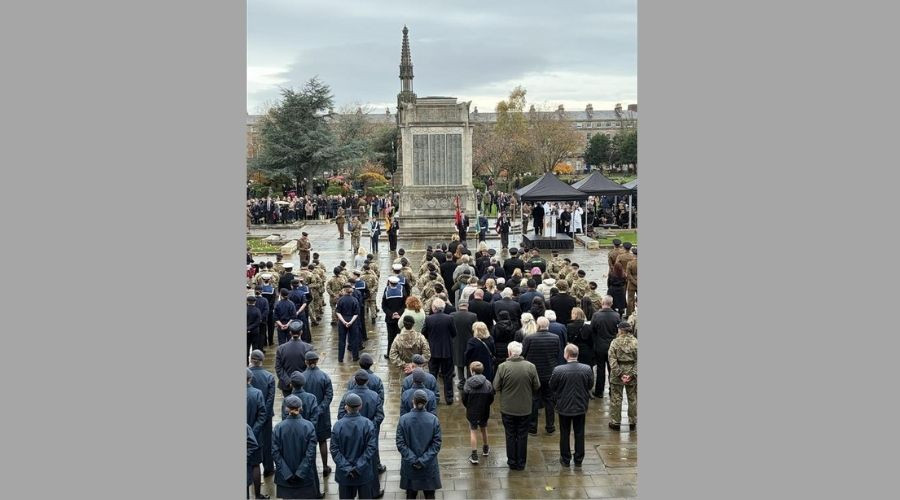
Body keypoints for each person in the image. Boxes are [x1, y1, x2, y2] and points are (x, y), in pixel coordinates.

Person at [493, 341, 540, 470]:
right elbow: (537, 386)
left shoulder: (502, 367)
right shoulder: (530, 366)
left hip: (508, 408)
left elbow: (495, 386)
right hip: (525, 408)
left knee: (510, 434)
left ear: (509, 352)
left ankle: (512, 461)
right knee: (522, 435)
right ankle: (521, 462)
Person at [548, 345, 593, 468]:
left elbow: (552, 386)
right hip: (580, 406)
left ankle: (565, 458)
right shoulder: (587, 369)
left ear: (566, 355)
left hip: (564, 406)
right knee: (579, 433)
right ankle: (579, 459)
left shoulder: (558, 370)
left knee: (564, 432)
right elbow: (590, 385)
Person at [396, 390, 444, 499]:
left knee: (411, 495)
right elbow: (436, 444)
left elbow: (400, 443)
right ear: (426, 402)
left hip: (410, 467)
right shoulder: (433, 420)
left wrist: (413, 459)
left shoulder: (403, 420)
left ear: (413, 401)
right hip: (429, 467)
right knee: (430, 495)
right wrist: (423, 460)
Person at [331, 393, 379, 499]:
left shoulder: (338, 425)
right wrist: (358, 467)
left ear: (346, 407)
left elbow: (334, 450)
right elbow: (371, 448)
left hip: (345, 475)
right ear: (360, 406)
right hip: (363, 474)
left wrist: (347, 468)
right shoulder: (368, 424)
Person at [272, 395, 320, 499]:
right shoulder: (309, 426)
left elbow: (275, 453)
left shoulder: (278, 428)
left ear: (286, 409)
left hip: (285, 479)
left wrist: (287, 473)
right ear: (300, 408)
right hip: (305, 478)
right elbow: (310, 453)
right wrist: (301, 472)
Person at [522, 317, 563, 435]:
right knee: (549, 400)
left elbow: (523, 354)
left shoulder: (529, 338)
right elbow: (558, 355)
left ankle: (532, 427)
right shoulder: (555, 338)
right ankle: (550, 426)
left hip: (534, 374)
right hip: (550, 374)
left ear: (538, 326)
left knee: (534, 399)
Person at [302, 351, 334, 477]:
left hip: (306, 415)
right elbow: (329, 395)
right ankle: (325, 466)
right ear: (317, 361)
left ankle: (311, 468)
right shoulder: (324, 377)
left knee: (309, 443)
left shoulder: (301, 377)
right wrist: (320, 409)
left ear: (306, 362)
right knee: (322, 441)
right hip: (322, 416)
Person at [421, 298, 458, 404]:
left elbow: (424, 333)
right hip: (447, 351)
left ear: (433, 308)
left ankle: (434, 397)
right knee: (448, 375)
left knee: (432, 375)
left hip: (433, 350)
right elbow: (454, 333)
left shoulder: (428, 319)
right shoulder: (449, 318)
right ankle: (449, 397)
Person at [248, 350, 276, 479]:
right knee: (266, 442)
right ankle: (268, 468)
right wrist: (264, 414)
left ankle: (251, 466)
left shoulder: (246, 374)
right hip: (265, 416)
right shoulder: (269, 376)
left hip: (248, 414)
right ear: (262, 360)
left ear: (251, 359)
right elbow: (270, 399)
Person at [608, 322, 638, 432]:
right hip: (631, 372)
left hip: (617, 374)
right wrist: (633, 374)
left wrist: (620, 374)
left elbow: (612, 359)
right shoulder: (636, 342)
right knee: (632, 398)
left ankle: (615, 422)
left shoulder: (615, 342)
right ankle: (632, 421)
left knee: (616, 398)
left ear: (621, 330)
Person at [590, 296, 620, 398]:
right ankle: (613, 390)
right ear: (611, 304)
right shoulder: (616, 316)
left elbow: (592, 330)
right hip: (612, 346)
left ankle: (599, 391)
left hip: (599, 346)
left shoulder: (596, 315)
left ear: (602, 303)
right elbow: (618, 331)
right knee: (612, 369)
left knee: (600, 369)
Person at [275, 321, 313, 397]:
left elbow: (278, 368)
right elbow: (309, 368)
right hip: (303, 385)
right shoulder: (308, 347)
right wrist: (300, 381)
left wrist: (289, 381)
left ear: (290, 332)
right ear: (301, 332)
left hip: (287, 386)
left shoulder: (281, 348)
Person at [247, 369, 268, 499]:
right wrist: (253, 432)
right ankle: (257, 494)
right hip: (254, 437)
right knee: (255, 465)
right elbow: (262, 415)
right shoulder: (257, 393)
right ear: (250, 379)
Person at [451, 302, 479, 389]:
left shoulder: (452, 315)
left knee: (459, 363)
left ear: (459, 306)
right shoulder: (473, 316)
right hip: (469, 342)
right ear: (467, 306)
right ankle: (469, 380)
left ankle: (461, 381)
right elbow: (476, 329)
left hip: (456, 342)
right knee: (469, 362)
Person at [336, 283, 362, 363]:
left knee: (342, 340)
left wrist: (344, 321)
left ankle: (340, 358)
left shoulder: (340, 300)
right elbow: (356, 313)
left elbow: (337, 312)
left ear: (344, 290)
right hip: (352, 321)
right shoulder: (355, 300)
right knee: (354, 339)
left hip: (342, 320)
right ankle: (355, 357)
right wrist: (350, 322)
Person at [247, 424, 263, 499]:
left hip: (252, 432)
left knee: (255, 464)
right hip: (253, 432)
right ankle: (257, 495)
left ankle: (257, 495)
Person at [626, 247, 637, 318]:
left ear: (633, 254)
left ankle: (630, 315)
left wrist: (635, 282)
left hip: (632, 284)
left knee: (630, 300)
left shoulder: (630, 263)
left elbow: (628, 275)